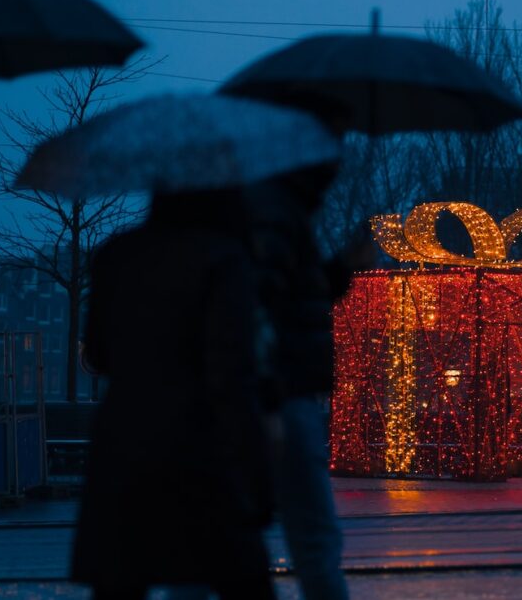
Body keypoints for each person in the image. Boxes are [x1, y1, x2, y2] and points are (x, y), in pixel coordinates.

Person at [70, 189, 275, 600]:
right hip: (198, 447)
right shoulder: (224, 259)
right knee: (242, 579)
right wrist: (258, 470)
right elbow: (230, 374)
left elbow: (99, 353)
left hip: (123, 442)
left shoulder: (116, 254)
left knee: (120, 581)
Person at [246, 163, 363, 600]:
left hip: (280, 393)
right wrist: (271, 397)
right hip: (285, 396)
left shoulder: (282, 213)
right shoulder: (279, 214)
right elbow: (266, 308)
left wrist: (339, 271)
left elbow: (287, 297)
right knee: (314, 537)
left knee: (228, 538)